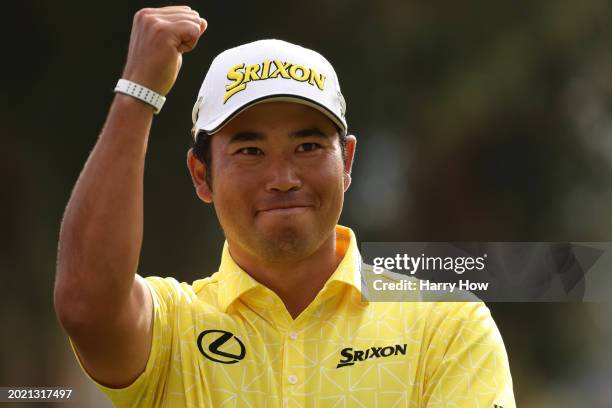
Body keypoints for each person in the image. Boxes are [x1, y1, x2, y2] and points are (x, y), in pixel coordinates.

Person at [54, 5, 515, 407]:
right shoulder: (172, 329)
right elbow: (84, 303)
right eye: (250, 151)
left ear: (347, 161)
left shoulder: (446, 325)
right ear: (202, 175)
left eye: (309, 146)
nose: (283, 179)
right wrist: (138, 91)